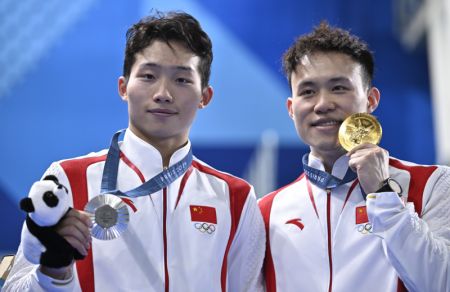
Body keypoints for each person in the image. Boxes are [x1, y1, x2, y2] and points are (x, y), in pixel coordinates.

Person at [3, 11, 265, 292]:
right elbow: (15, 287)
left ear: (205, 97)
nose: (163, 93)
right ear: (123, 87)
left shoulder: (236, 197)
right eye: (149, 75)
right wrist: (53, 269)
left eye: (182, 80)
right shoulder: (68, 179)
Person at [258, 21, 450, 292]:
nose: (323, 104)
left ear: (371, 100)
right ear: (291, 108)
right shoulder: (265, 211)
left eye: (339, 88)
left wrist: (384, 196)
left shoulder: (432, 183)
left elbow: (441, 283)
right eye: (308, 91)